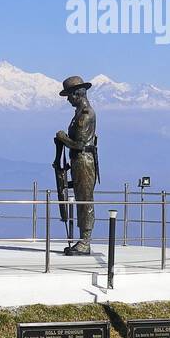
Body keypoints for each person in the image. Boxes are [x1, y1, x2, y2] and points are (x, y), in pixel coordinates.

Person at [54, 76, 98, 255]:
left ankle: (85, 241)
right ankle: (82, 240)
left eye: (69, 95)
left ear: (77, 94)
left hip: (84, 160)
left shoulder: (86, 114)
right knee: (81, 197)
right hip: (78, 161)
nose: (68, 99)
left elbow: (79, 143)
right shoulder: (79, 113)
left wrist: (63, 138)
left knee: (85, 199)